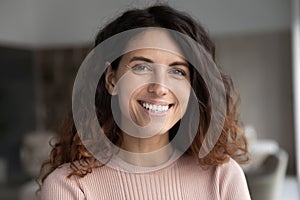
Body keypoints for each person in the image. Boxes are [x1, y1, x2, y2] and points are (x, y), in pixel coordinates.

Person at [38, 4, 251, 200]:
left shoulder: (222, 177)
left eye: (177, 71)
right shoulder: (69, 187)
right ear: (112, 80)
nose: (159, 87)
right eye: (141, 67)